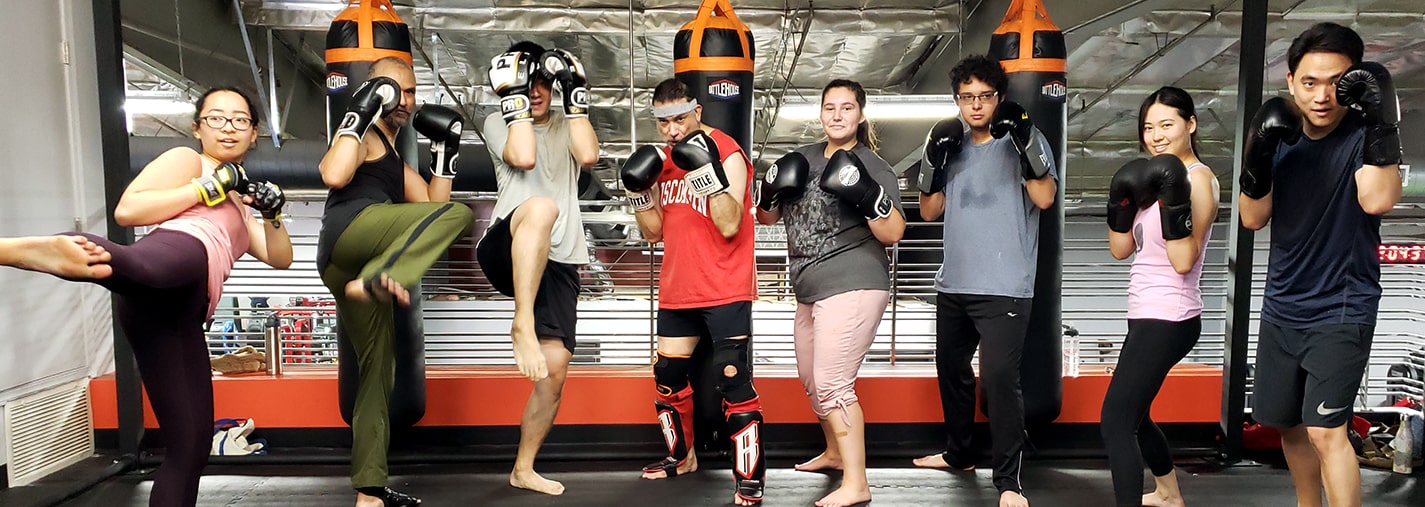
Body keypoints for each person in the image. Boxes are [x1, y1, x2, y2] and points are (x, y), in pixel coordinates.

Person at [0, 87, 293, 507]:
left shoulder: (243, 205)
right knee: (150, 266)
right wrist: (208, 185)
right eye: (216, 118)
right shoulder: (188, 161)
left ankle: (91, 259)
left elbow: (280, 258)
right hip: (177, 255)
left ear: (253, 134)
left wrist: (273, 212)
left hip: (180, 313)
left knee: (191, 445)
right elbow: (128, 210)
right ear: (197, 127)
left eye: (240, 120)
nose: (228, 128)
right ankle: (60, 247)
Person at [1238, 22, 1402, 507]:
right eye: (1310, 82)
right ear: (1290, 82)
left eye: (1336, 82)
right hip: (1282, 306)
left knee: (1326, 432)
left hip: (1341, 309)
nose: (1323, 95)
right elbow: (1252, 217)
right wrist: (1257, 154)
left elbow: (1377, 200)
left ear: (1355, 83)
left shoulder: (1362, 135)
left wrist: (1380, 123)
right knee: (1287, 425)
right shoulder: (1279, 135)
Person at [316, 57, 474, 507]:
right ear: (374, 90)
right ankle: (384, 275)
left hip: (350, 267)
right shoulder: (363, 135)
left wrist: (444, 154)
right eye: (395, 89)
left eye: (411, 92)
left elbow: (430, 205)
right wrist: (358, 113)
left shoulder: (392, 150)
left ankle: (368, 489)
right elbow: (333, 174)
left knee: (378, 373)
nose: (405, 100)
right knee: (462, 215)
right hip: (352, 234)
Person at [912, 55, 1057, 507]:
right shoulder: (946, 142)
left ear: (1000, 98)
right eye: (967, 97)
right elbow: (928, 211)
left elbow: (1045, 197)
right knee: (951, 372)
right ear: (957, 100)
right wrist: (934, 161)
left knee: (999, 379)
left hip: (1005, 286)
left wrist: (1026, 143)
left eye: (985, 96)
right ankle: (959, 453)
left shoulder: (1025, 139)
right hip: (954, 282)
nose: (976, 105)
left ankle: (1008, 482)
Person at [754, 78, 905, 507]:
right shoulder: (799, 160)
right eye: (830, 108)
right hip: (809, 287)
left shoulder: (873, 166)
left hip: (854, 280)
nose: (837, 115)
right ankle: (837, 453)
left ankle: (857, 483)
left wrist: (866, 193)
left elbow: (893, 231)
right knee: (811, 380)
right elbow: (767, 220)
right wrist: (768, 193)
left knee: (833, 384)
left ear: (860, 114)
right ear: (821, 114)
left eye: (846, 108)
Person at [622, 77, 764, 506]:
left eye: (679, 119)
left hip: (724, 286)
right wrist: (640, 195)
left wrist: (706, 174)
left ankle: (750, 477)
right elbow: (653, 233)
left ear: (697, 111)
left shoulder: (727, 151)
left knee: (732, 379)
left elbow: (728, 224)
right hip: (678, 288)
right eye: (663, 122)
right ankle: (681, 458)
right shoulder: (660, 163)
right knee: (667, 378)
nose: (672, 131)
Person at [474, 41, 600, 496]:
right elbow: (523, 156)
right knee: (543, 207)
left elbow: (588, 157)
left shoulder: (568, 123)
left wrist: (577, 91)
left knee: (554, 372)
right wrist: (516, 97)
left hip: (560, 258)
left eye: (545, 83)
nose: (539, 92)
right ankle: (521, 322)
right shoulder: (498, 121)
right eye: (531, 85)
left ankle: (523, 468)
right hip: (507, 245)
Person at [1101, 86, 1218, 507]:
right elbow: (1120, 250)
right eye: (1148, 127)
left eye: (1167, 124)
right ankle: (1167, 493)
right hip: (1145, 311)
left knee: (1115, 419)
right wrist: (1123, 198)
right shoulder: (1150, 179)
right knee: (1137, 413)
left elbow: (1184, 259)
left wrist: (1173, 199)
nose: (1156, 135)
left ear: (1191, 124)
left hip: (1171, 315)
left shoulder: (1199, 180)